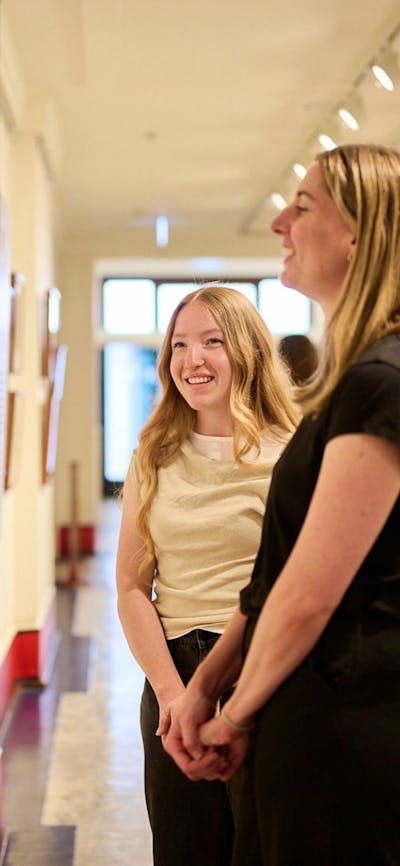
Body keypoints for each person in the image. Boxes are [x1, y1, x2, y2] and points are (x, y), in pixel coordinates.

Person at [162, 144, 400, 866]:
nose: (278, 222)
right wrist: (208, 680)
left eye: (301, 206)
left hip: (346, 725)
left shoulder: (381, 382)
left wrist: (234, 711)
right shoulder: (354, 379)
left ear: (357, 234)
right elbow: (279, 575)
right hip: (308, 715)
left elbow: (309, 594)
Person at [115, 284, 298, 866]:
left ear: (246, 351)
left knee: (265, 848)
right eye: (179, 345)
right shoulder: (153, 456)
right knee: (184, 851)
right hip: (174, 680)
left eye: (212, 342)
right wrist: (173, 694)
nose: (192, 360)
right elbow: (130, 588)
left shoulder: (293, 455)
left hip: (264, 676)